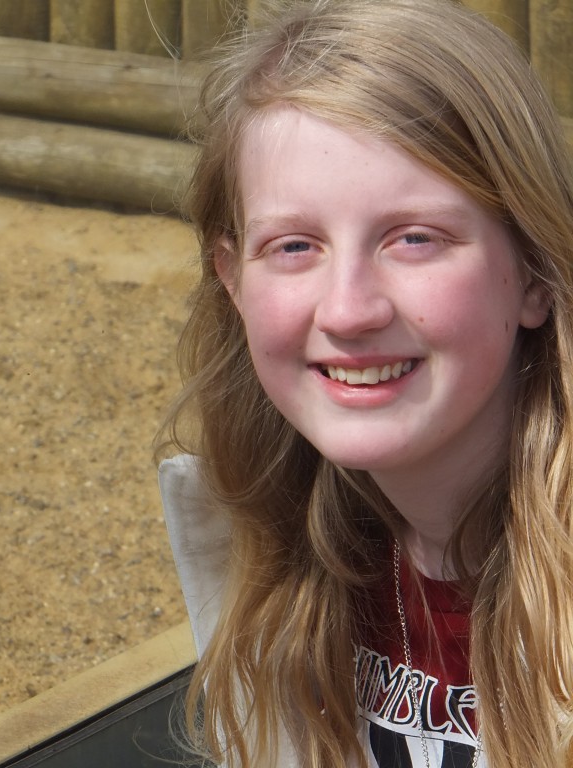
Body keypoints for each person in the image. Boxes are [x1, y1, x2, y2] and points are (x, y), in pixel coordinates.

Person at [156, 0, 573, 766]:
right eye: (293, 246)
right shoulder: (263, 550)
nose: (348, 310)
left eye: (415, 238)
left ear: (534, 273)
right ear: (232, 280)